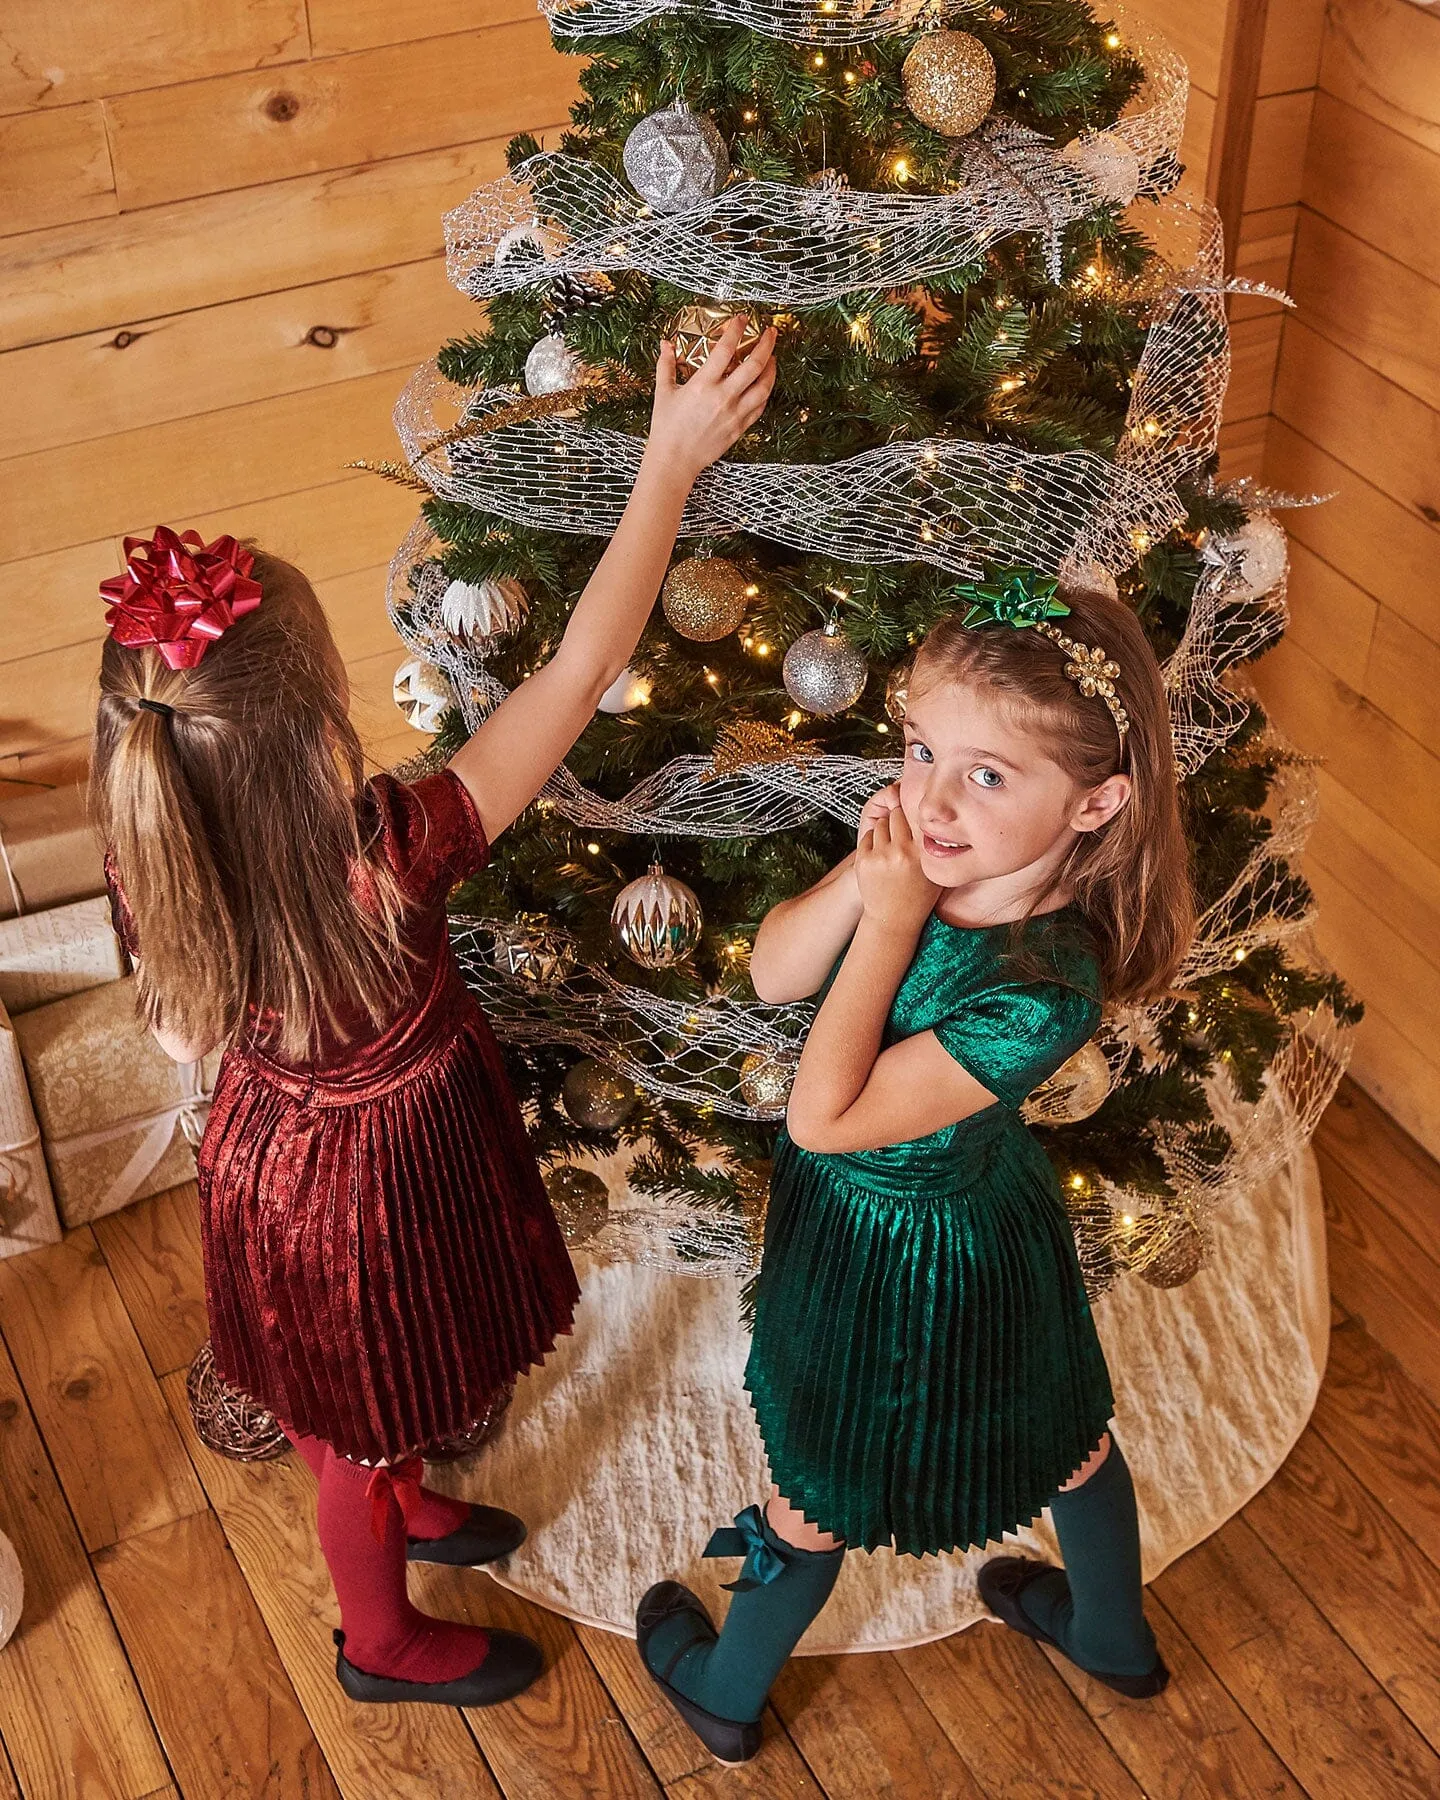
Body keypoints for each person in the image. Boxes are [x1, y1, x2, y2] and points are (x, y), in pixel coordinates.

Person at [91, 317, 776, 1710]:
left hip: (277, 1176)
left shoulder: (149, 853)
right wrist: (670, 460)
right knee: (348, 1436)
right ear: (324, 728)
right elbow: (576, 673)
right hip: (378, 1185)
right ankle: (377, 1641)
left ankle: (397, 1491)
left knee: (367, 1398)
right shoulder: (387, 852)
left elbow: (177, 1040)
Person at [637, 568, 1194, 1762]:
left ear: (1095, 807)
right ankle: (1111, 1638)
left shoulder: (1047, 987)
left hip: (930, 1253)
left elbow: (823, 1120)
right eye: (918, 748)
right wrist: (869, 880)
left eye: (987, 776)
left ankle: (726, 1693)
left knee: (852, 1473)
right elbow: (774, 976)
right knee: (1064, 1434)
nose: (933, 798)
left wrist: (892, 920)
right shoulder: (915, 859)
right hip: (871, 1222)